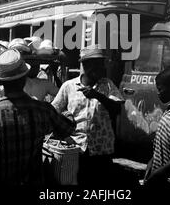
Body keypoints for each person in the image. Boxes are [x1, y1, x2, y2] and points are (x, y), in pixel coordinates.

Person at [0, 49, 75, 185]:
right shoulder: (42, 110)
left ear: (0, 81)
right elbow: (68, 128)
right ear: (24, 78)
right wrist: (66, 111)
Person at [51, 45, 125, 185]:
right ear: (84, 64)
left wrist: (98, 96)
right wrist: (64, 133)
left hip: (102, 150)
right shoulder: (69, 86)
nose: (99, 68)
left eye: (100, 63)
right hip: (76, 149)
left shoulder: (107, 85)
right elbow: (53, 112)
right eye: (94, 64)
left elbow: (117, 110)